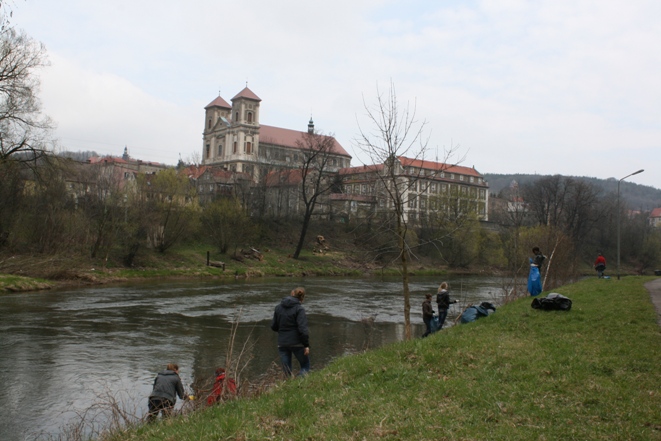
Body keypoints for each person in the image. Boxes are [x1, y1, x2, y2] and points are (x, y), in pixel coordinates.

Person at [271, 287, 310, 377]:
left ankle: (289, 388)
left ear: (292, 294)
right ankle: (298, 384)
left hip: (282, 343)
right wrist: (306, 345)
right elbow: (302, 329)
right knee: (305, 366)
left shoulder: (278, 308)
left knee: (287, 372)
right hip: (297, 343)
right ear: (302, 298)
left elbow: (273, 326)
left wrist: (283, 331)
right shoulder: (299, 309)